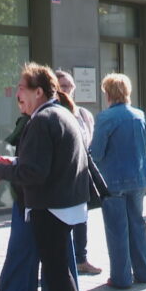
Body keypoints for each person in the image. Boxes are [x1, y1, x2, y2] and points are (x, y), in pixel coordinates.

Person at [0, 63, 89, 291]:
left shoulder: (43, 119)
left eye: (22, 87)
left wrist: (4, 171)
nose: (17, 93)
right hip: (62, 205)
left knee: (56, 274)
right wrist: (12, 165)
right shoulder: (58, 114)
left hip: (51, 207)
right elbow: (43, 163)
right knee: (60, 271)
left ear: (38, 91)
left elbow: (36, 172)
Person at [91, 73, 146, 289]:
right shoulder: (139, 115)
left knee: (117, 228)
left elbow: (96, 152)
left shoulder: (105, 118)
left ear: (108, 93)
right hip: (138, 177)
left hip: (112, 180)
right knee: (137, 224)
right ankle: (145, 272)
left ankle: (121, 277)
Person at [55, 69, 101, 276]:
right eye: (63, 86)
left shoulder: (83, 114)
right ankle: (59, 263)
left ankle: (81, 258)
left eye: (70, 86)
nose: (68, 90)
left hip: (80, 172)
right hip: (59, 177)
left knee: (81, 218)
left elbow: (87, 142)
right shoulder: (51, 113)